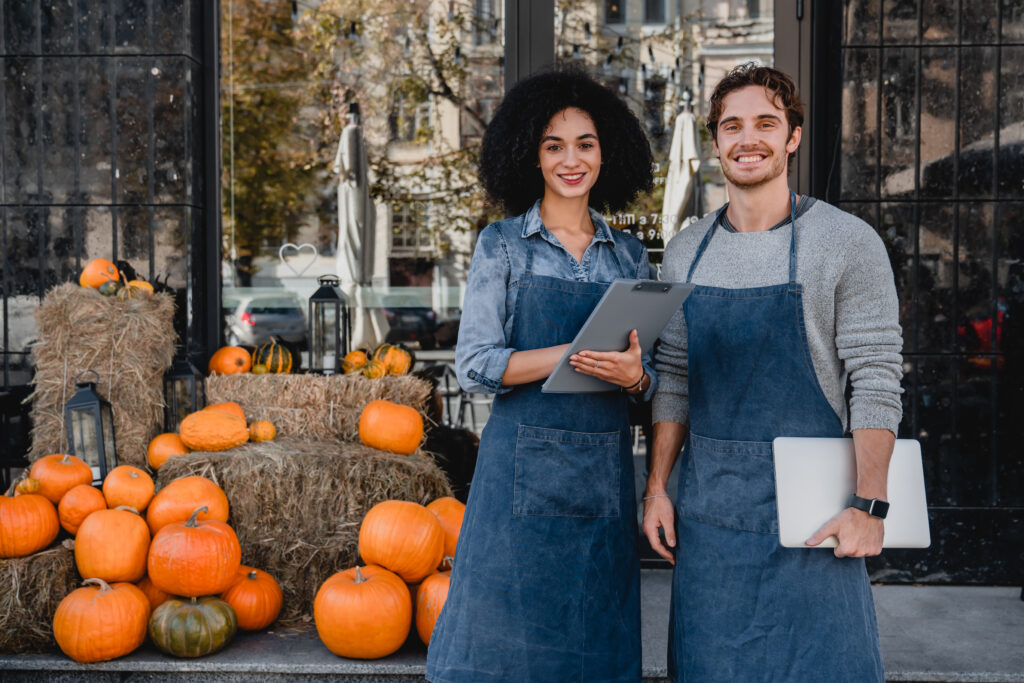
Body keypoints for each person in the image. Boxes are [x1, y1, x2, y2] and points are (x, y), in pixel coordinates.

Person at [642, 63, 904, 682]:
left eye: (766, 122)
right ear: (715, 142)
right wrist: (657, 487)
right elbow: (674, 377)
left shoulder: (846, 241)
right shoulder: (685, 250)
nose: (747, 138)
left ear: (792, 136)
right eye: (732, 125)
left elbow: (875, 377)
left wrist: (870, 504)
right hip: (712, 528)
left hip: (819, 521)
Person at [426, 68, 657, 682]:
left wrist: (634, 377)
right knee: (504, 649)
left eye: (585, 143)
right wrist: (572, 353)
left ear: (607, 151)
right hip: (515, 482)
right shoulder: (501, 246)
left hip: (603, 481)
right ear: (531, 156)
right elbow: (475, 364)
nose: (571, 159)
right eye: (554, 146)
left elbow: (650, 385)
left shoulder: (630, 256)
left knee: (595, 645)